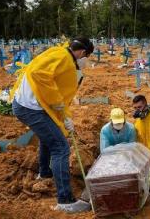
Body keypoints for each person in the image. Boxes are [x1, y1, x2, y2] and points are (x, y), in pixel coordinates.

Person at [11, 38, 94, 213]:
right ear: (83, 53)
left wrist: (65, 118)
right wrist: (57, 104)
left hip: (32, 105)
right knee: (61, 148)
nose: (86, 61)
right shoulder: (63, 58)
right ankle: (65, 200)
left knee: (49, 137)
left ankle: (45, 173)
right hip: (30, 107)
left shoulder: (62, 54)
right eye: (87, 57)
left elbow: (59, 93)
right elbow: (39, 74)